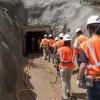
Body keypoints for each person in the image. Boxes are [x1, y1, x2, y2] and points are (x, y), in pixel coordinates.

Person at [77, 15, 100, 100]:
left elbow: (83, 65)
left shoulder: (87, 44)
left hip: (95, 83)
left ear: (89, 29)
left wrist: (79, 79)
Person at [58, 34, 75, 100]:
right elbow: (73, 59)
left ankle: (64, 97)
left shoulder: (61, 49)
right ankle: (68, 92)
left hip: (63, 66)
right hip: (70, 67)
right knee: (68, 80)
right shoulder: (73, 49)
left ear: (64, 41)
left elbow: (60, 59)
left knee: (64, 81)